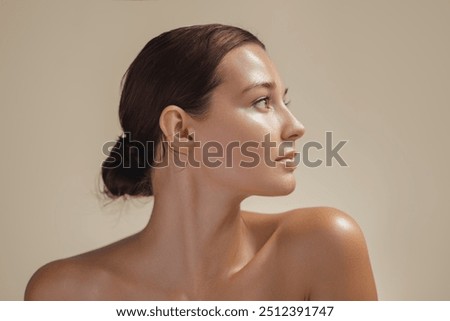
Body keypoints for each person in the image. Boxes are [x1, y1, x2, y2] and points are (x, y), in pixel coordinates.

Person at [25, 24, 377, 300]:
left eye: (283, 101)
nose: (296, 127)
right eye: (261, 102)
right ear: (181, 130)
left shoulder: (323, 247)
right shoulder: (64, 295)